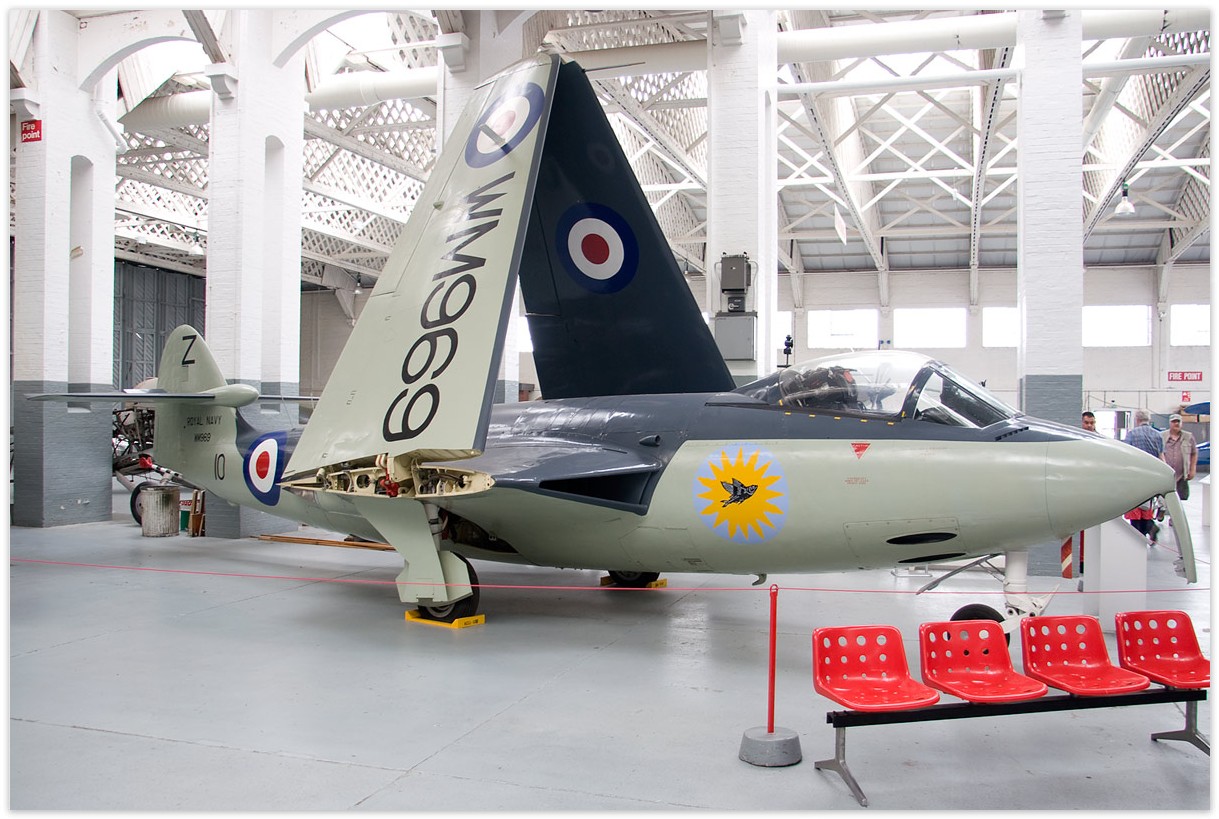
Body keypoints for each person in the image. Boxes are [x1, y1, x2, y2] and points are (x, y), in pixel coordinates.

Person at [1123, 409, 1164, 541]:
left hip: (1135, 477)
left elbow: (1125, 455)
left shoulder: (1132, 434)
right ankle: (1149, 527)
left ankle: (1139, 536)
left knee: (1135, 507)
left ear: (1137, 420)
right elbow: (1161, 457)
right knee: (1147, 507)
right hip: (1152, 477)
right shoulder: (1158, 435)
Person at [1161, 413, 1198, 500]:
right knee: (1165, 499)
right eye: (1174, 422)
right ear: (1170, 423)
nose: (1176, 424)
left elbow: (1194, 453)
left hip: (1182, 476)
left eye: (1178, 421)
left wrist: (1192, 469)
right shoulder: (1162, 436)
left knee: (1182, 498)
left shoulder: (1188, 437)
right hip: (1166, 475)